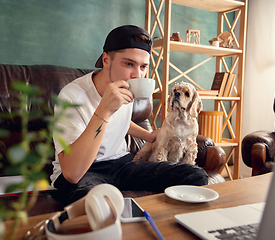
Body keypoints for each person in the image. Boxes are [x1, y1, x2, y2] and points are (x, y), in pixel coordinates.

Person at [50, 25, 208, 206]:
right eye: (128, 64)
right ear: (106, 60)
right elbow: (72, 172)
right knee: (96, 202)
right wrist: (104, 111)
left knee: (196, 175)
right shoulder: (72, 96)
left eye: (143, 67)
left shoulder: (128, 85)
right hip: (86, 171)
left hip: (121, 164)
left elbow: (122, 122)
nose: (137, 74)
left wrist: (148, 135)